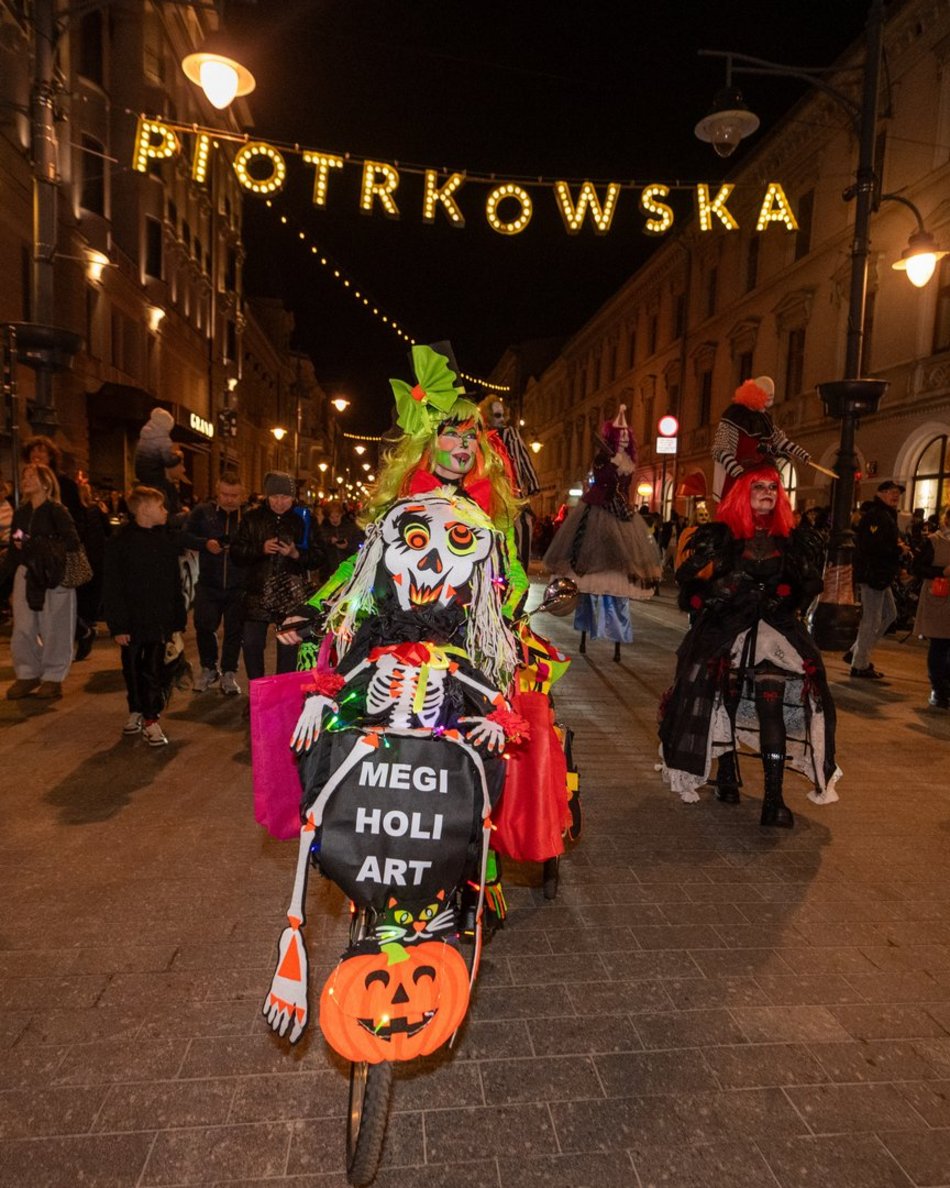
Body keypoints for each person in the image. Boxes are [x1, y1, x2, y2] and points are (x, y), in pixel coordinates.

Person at [658, 466, 840, 828]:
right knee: (712, 686)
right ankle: (726, 773)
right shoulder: (721, 536)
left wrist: (789, 597)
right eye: (758, 487)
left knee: (775, 701)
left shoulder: (791, 538)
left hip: (776, 630)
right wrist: (712, 593)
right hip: (729, 624)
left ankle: (774, 799)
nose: (767, 492)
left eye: (773, 487)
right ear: (743, 493)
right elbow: (686, 578)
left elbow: (810, 583)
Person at [541, 404, 659, 658]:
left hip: (620, 513)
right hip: (596, 509)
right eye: (621, 434)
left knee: (619, 576)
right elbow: (600, 476)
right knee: (586, 575)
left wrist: (622, 467)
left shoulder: (629, 461)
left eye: (627, 434)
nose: (625, 437)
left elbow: (624, 485)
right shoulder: (603, 458)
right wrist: (612, 465)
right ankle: (586, 632)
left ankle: (616, 636)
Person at [103, 486, 186, 746]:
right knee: (131, 668)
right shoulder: (120, 542)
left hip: (158, 621)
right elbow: (112, 586)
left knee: (152, 669)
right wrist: (118, 625)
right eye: (160, 506)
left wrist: (177, 620)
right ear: (144, 510)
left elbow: (175, 583)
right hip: (130, 621)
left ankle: (151, 719)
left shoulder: (165, 541)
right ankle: (136, 709)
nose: (165, 512)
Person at [231, 471, 320, 683]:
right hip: (257, 592)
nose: (279, 503)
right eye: (274, 497)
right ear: (266, 496)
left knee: (288, 647)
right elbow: (236, 552)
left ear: (293, 497)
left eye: (285, 497)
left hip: (290, 594)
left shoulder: (304, 520)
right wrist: (259, 549)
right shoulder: (252, 518)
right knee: (252, 644)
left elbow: (319, 556)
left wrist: (295, 554)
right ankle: (257, 693)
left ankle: (280, 696)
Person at [2, 463, 80, 700]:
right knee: (23, 627)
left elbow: (72, 542)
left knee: (55, 627)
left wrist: (40, 545)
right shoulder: (22, 512)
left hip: (53, 575)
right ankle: (27, 673)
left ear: (46, 483)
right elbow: (17, 542)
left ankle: (53, 677)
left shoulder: (57, 511)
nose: (25, 479)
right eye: (24, 476)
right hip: (27, 572)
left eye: (31, 476)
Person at [182, 471, 247, 695]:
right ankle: (209, 668)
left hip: (238, 585)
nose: (229, 499)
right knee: (203, 625)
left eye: (234, 495)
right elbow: (184, 536)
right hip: (209, 582)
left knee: (234, 631)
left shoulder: (247, 517)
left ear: (242, 495)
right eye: (225, 494)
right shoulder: (202, 512)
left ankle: (229, 672)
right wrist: (205, 543)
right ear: (217, 492)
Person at [845, 479, 910, 679]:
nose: (895, 495)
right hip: (874, 574)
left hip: (882, 574)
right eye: (891, 491)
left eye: (898, 492)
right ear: (880, 494)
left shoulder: (887, 515)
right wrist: (898, 550)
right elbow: (873, 547)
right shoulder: (876, 516)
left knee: (889, 614)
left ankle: (856, 652)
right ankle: (860, 664)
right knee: (871, 620)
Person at [712, 376, 810, 500]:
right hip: (739, 480)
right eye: (768, 398)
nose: (770, 404)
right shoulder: (734, 415)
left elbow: (779, 440)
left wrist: (800, 453)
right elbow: (721, 449)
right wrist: (736, 470)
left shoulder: (764, 418)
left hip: (763, 477)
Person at [912, 505, 950, 709]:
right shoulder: (934, 541)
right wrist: (941, 571)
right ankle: (938, 688)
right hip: (939, 598)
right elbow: (917, 567)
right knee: (940, 644)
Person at [73, 477, 112, 661]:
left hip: (82, 562)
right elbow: (108, 531)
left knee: (80, 599)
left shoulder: (79, 512)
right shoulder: (96, 510)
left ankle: (85, 629)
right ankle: (87, 626)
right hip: (94, 561)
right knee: (87, 599)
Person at [133, 407, 184, 515]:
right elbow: (168, 461)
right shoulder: (163, 439)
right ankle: (173, 511)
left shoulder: (144, 436)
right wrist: (179, 456)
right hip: (155, 475)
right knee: (168, 490)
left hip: (140, 474)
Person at [317, 500, 363, 582]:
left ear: (341, 515)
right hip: (329, 573)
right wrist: (329, 542)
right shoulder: (322, 529)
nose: (335, 520)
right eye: (332, 517)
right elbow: (318, 549)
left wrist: (347, 546)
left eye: (337, 516)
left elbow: (359, 546)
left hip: (349, 571)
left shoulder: (351, 528)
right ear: (328, 517)